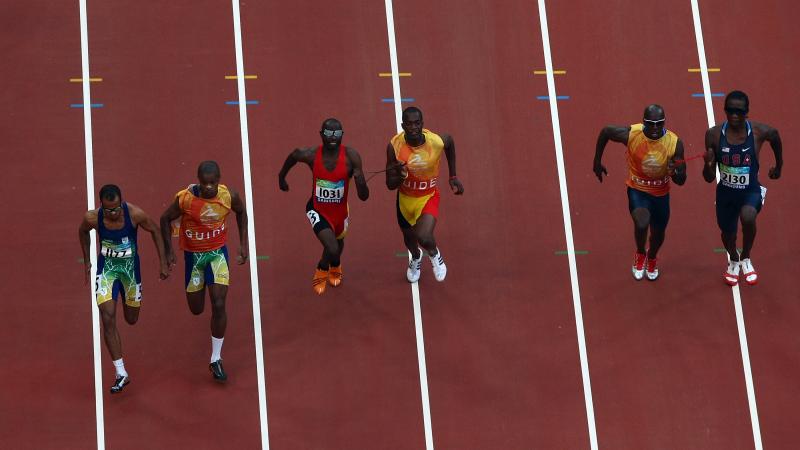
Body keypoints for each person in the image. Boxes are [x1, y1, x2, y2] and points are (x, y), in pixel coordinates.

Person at [160, 161, 248, 382]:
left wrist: (243, 244)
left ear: (219, 180)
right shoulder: (186, 200)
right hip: (194, 258)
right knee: (197, 309)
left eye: (213, 182)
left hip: (217, 255)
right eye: (205, 183)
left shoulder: (228, 196)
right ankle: (214, 353)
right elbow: (164, 219)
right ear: (198, 180)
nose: (209, 187)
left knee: (218, 303)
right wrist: (168, 251)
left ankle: (215, 358)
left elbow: (241, 212)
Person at [78, 184, 169, 393]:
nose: (113, 213)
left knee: (131, 318)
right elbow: (82, 232)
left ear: (121, 203)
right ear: (102, 206)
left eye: (117, 208)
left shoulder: (134, 214)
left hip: (130, 273)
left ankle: (121, 370)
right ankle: (121, 372)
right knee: (107, 316)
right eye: (109, 209)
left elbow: (155, 229)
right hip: (107, 271)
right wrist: (87, 261)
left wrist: (163, 262)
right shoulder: (93, 218)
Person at [593, 104, 687, 280]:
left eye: (659, 123)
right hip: (638, 189)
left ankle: (652, 257)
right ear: (644, 122)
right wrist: (597, 162)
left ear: (664, 122)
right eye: (650, 123)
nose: (655, 128)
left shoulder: (675, 143)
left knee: (658, 234)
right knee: (642, 223)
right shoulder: (632, 134)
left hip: (661, 194)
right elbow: (606, 131)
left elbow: (682, 180)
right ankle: (640, 253)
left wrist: (676, 171)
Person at [278, 118, 369, 295]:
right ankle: (322, 268)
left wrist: (360, 181)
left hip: (341, 211)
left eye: (336, 133)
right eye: (328, 133)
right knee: (332, 246)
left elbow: (364, 197)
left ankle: (336, 265)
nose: (332, 137)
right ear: (321, 135)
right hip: (317, 209)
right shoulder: (311, 155)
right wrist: (281, 177)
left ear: (342, 135)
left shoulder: (352, 157)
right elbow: (294, 155)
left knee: (338, 244)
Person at [703, 90, 782, 286]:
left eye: (739, 111)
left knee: (748, 216)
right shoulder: (713, 134)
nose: (734, 115)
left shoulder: (758, 132)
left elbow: (775, 136)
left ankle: (746, 257)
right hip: (726, 194)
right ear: (725, 111)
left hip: (750, 191)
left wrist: (778, 166)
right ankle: (733, 259)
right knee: (727, 233)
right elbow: (708, 178)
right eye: (730, 110)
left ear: (747, 111)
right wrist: (709, 164)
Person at [385, 106, 464, 283]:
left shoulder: (435, 142)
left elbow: (449, 142)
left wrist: (453, 176)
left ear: (422, 124)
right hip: (405, 201)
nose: (413, 127)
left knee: (424, 236)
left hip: (428, 196)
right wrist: (400, 175)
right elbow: (390, 185)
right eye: (409, 124)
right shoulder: (394, 147)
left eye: (417, 123)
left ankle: (435, 255)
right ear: (403, 125)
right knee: (410, 241)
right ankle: (415, 257)